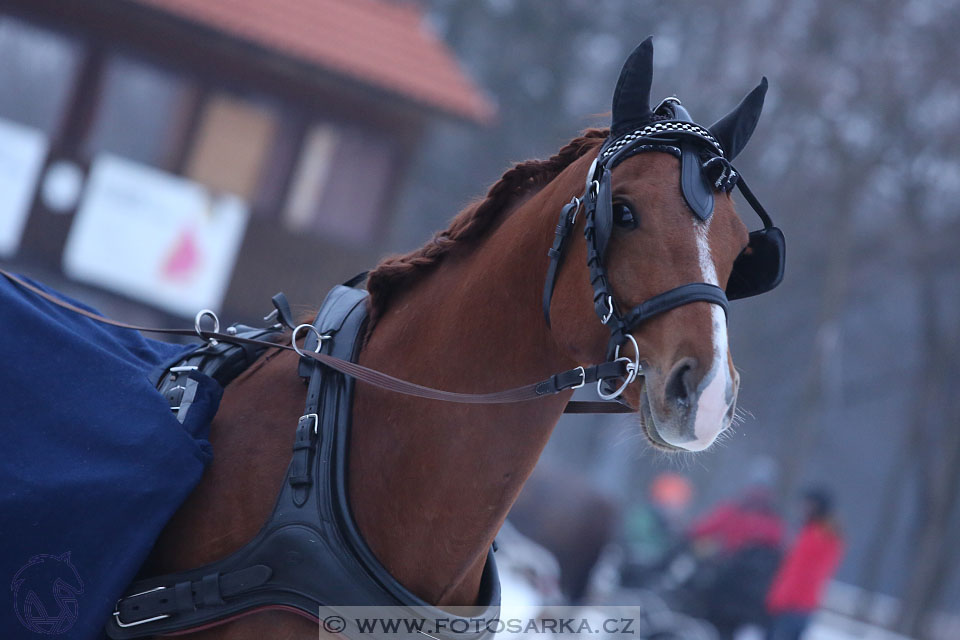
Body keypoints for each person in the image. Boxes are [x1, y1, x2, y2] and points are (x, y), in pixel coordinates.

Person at [765, 487, 845, 640]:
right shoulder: (813, 532)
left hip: (794, 606)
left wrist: (780, 599)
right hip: (793, 604)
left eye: (809, 504)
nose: (803, 508)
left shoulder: (820, 535)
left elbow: (801, 573)